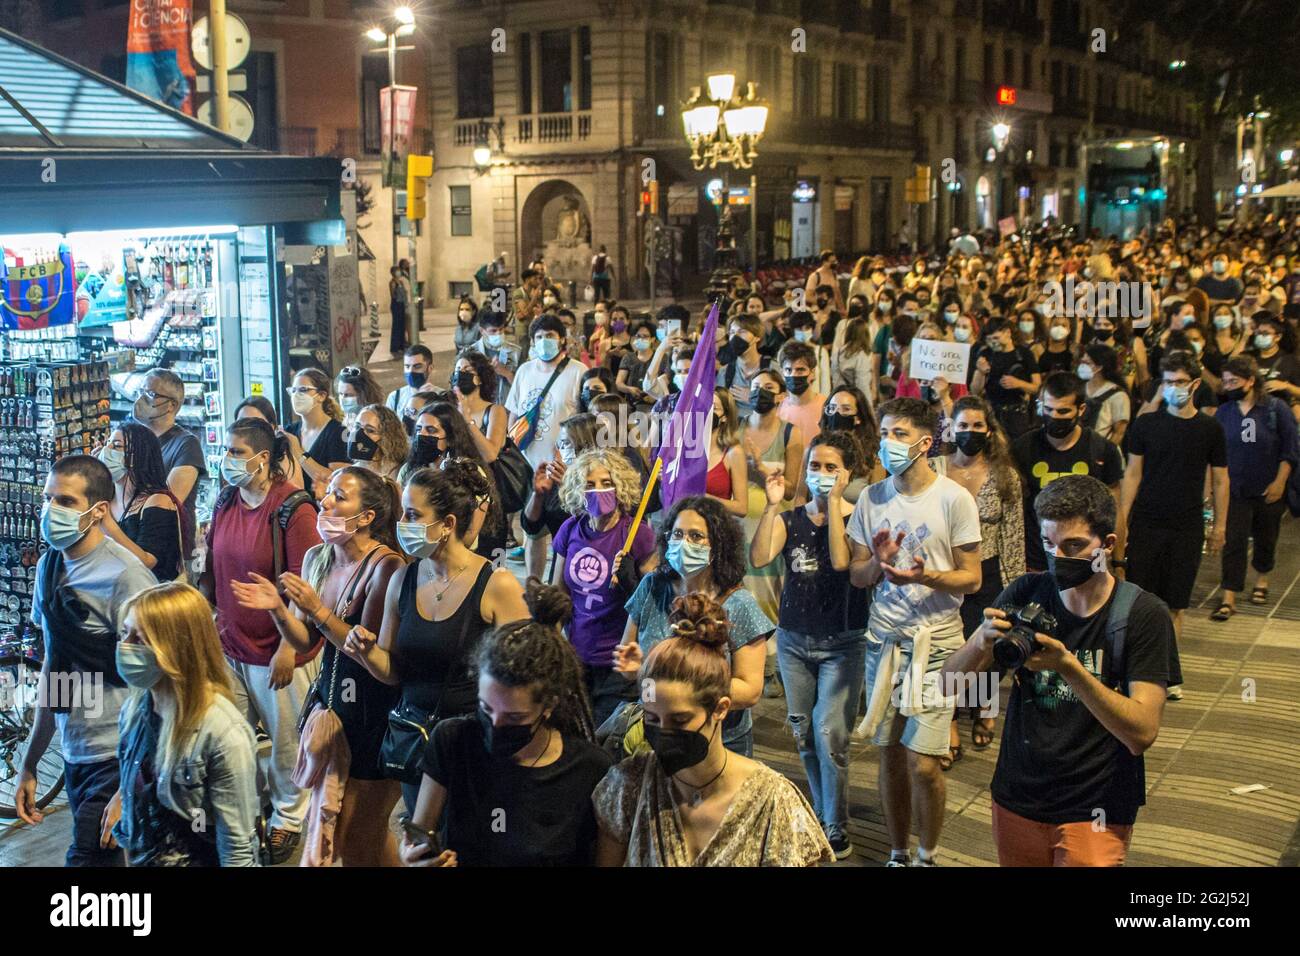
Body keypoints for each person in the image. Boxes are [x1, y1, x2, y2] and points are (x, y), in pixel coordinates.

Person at [939, 475, 1179, 867]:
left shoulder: (1142, 615)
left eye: (1074, 546)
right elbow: (949, 687)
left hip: (1096, 804)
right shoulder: (1026, 594)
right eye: (1049, 544)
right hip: (1019, 794)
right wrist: (979, 643)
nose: (1058, 557)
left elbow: (1141, 733)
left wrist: (1068, 666)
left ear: (1108, 545)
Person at [230, 466, 405, 865]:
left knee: (356, 835)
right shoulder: (317, 557)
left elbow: (369, 654)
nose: (325, 501)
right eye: (327, 493)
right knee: (357, 836)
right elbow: (306, 640)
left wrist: (317, 609)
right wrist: (278, 610)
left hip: (372, 715)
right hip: (330, 707)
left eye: (340, 497)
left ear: (367, 517)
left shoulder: (387, 567)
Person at [342, 462, 530, 814]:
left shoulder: (496, 585)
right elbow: (392, 671)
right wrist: (366, 652)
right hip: (417, 742)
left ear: (447, 524)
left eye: (413, 515)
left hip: (475, 744)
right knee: (424, 844)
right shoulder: (404, 579)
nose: (403, 526)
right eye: (402, 515)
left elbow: (523, 677)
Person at [594, 591, 832, 867]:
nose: (662, 732)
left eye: (680, 720)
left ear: (720, 708)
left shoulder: (773, 803)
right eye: (651, 719)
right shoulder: (628, 786)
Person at [847, 397, 983, 867]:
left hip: (939, 641)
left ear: (926, 443)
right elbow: (857, 575)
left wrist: (925, 577)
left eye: (899, 434)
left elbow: (973, 577)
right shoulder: (871, 497)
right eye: (884, 433)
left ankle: (929, 852)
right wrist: (878, 566)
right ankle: (898, 850)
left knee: (923, 762)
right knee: (887, 752)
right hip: (884, 638)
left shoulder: (954, 499)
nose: (887, 443)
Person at [400, 580, 611, 867]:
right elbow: (419, 833)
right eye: (486, 708)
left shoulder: (590, 768)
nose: (495, 724)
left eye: (514, 717)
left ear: (548, 706)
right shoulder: (452, 740)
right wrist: (414, 857)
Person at [15, 455, 157, 866]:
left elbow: (160, 681)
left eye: (65, 501)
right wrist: (31, 760)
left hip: (119, 751)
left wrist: (129, 784)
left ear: (97, 511)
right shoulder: (49, 567)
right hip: (77, 747)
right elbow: (55, 667)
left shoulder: (125, 576)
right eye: (47, 498)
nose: (50, 510)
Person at [200, 417, 323, 864]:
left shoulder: (293, 509)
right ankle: (245, 810)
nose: (226, 459)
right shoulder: (226, 499)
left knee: (287, 742)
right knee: (232, 738)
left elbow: (306, 584)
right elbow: (214, 567)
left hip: (279, 649)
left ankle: (289, 817)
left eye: (235, 452)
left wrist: (288, 649)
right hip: (231, 645)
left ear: (262, 458)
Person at [750, 431, 867, 859]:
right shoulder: (790, 520)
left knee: (829, 731)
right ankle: (821, 809)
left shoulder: (858, 518)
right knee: (803, 733)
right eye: (814, 466)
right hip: (794, 640)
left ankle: (835, 825)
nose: (820, 475)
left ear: (847, 474)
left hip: (843, 643)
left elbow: (840, 560)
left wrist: (834, 504)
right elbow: (760, 557)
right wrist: (772, 504)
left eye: (831, 468)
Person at [104, 582, 261, 866]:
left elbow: (237, 847)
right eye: (124, 633)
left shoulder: (223, 733)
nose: (125, 647)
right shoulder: (135, 710)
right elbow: (134, 815)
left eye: (139, 639)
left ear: (175, 647)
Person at [614, 495, 771, 757]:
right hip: (656, 732)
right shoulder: (652, 587)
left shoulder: (739, 603)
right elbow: (630, 664)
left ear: (718, 545)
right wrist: (635, 670)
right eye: (677, 534)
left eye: (696, 537)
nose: (684, 543)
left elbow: (750, 690)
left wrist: (684, 687)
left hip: (720, 743)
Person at [1118, 351, 1228, 700]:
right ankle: (1133, 667)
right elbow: (1132, 473)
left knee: (1176, 601)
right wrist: (1122, 520)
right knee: (1138, 597)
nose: (1173, 388)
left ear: (1195, 384)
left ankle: (1166, 672)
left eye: (1179, 382)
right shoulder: (1147, 424)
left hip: (1187, 523)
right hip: (1148, 521)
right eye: (1167, 382)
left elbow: (1221, 480)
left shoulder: (1210, 428)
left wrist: (1220, 525)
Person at [935, 396, 1025, 762]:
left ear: (988, 430)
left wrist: (1015, 587)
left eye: (977, 426)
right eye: (963, 426)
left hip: (988, 572)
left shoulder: (1005, 476)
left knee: (984, 649)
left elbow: (1014, 535)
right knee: (952, 648)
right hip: (945, 571)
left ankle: (984, 706)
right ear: (951, 429)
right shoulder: (935, 469)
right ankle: (951, 720)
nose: (969, 432)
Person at [552, 448, 658, 726]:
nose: (598, 491)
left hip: (617, 663)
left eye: (606, 483)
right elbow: (558, 591)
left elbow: (655, 602)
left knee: (605, 739)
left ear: (621, 487)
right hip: (577, 657)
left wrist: (631, 583)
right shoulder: (570, 529)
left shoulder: (638, 534)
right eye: (589, 484)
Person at [1210, 356, 1300, 621]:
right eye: (1226, 382)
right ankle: (1229, 595)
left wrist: (1280, 481)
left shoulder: (1275, 409)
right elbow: (1216, 452)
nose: (1229, 386)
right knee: (1233, 540)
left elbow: (1290, 449)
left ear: (1250, 381)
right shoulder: (1225, 412)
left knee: (1266, 536)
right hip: (1235, 488)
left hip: (1268, 487)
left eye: (1234, 381)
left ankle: (1262, 577)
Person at [1012, 372, 1125, 571]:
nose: (1054, 417)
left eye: (1063, 411)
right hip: (1036, 561)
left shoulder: (1101, 450)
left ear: (1080, 409)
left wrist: (1118, 563)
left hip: (1085, 562)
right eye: (1048, 409)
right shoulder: (1023, 447)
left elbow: (1115, 510)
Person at [506, 314, 588, 577]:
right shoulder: (524, 371)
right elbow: (514, 414)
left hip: (564, 466)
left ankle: (562, 584)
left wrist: (568, 459)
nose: (544, 342)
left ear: (562, 339)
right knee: (533, 530)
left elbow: (585, 420)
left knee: (567, 528)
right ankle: (534, 585)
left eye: (550, 336)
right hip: (529, 463)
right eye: (539, 337)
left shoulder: (578, 372)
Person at [129, 369, 206, 565]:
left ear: (171, 405)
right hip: (135, 546)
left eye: (151, 394)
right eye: (140, 392)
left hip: (171, 554)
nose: (141, 399)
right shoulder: (133, 441)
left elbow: (169, 502)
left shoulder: (186, 444)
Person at [97, 423, 185, 583]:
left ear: (138, 455)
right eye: (107, 444)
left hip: (149, 598)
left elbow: (147, 561)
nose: (106, 450)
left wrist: (108, 524)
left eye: (116, 446)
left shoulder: (158, 501)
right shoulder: (105, 498)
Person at [283, 367, 351, 500]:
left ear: (321, 395)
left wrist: (299, 454)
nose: (296, 395)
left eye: (303, 390)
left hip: (323, 506)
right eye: (293, 390)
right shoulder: (290, 430)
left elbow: (336, 479)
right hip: (295, 505)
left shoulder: (338, 432)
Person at [971, 317, 1041, 439]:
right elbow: (975, 390)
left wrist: (1019, 383)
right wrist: (980, 372)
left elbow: (1037, 387)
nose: (993, 343)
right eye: (990, 339)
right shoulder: (986, 354)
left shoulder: (1024, 354)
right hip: (992, 412)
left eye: (996, 338)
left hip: (1017, 414)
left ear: (1008, 333)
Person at [451, 350, 507, 465]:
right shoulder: (450, 409)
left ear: (480, 378)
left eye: (467, 370)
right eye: (457, 370)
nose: (460, 374)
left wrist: (467, 420)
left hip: (486, 480)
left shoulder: (495, 411)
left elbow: (490, 455)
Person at [234, 396, 303, 488]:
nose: (247, 429)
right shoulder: (232, 458)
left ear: (272, 427)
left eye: (255, 423)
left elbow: (296, 498)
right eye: (242, 422)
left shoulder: (283, 458)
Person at [1078, 343, 1132, 446]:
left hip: (1101, 449)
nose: (1082, 366)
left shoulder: (1118, 395)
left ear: (1099, 367)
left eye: (1087, 363)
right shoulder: (1079, 388)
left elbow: (1119, 433)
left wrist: (1105, 455)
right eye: (1082, 362)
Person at [706, 388, 748, 518]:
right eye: (704, 406)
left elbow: (742, 508)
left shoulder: (734, 452)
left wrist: (705, 498)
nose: (707, 412)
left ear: (725, 417)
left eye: (714, 408)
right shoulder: (685, 449)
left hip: (716, 528)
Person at [462, 311, 520, 404]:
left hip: (507, 407)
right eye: (493, 331)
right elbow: (462, 386)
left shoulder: (516, 352)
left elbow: (523, 388)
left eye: (501, 329)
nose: (498, 334)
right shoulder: (470, 353)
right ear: (482, 331)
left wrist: (507, 373)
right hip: (479, 408)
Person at [777, 339, 826, 443]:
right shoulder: (778, 408)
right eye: (788, 370)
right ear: (782, 373)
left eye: (800, 370)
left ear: (812, 373)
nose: (793, 375)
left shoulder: (826, 406)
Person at [720, 312, 769, 415]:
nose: (735, 337)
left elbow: (787, 403)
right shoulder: (725, 372)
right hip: (736, 429)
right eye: (732, 332)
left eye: (742, 331)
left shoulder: (772, 368)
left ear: (757, 337)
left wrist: (755, 399)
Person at [348, 403, 409, 483]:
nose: (359, 434)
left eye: (370, 430)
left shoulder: (402, 473)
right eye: (357, 427)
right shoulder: (350, 472)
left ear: (388, 436)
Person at [384, 345, 435, 414]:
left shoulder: (442, 397)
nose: (411, 371)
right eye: (407, 366)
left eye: (417, 367)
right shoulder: (395, 398)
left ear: (430, 368)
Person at [389, 265, 410, 356]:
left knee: (402, 325)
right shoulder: (392, 282)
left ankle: (402, 345)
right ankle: (395, 346)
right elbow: (393, 295)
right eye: (397, 271)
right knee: (396, 326)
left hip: (402, 304)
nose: (398, 272)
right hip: (396, 304)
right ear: (393, 273)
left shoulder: (401, 281)